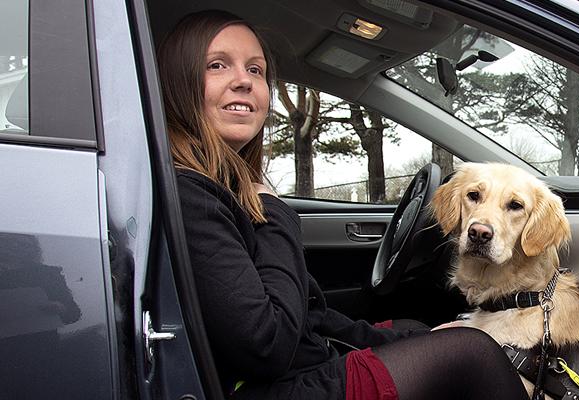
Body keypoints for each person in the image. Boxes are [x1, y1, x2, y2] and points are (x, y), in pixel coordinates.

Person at [159, 10, 528, 400]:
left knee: (417, 327)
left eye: (255, 70)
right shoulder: (193, 197)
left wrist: (401, 339)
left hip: (297, 363)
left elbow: (307, 315)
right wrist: (273, 212)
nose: (243, 82)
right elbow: (265, 345)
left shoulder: (225, 189)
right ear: (180, 83)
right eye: (217, 66)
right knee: (472, 351)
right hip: (259, 386)